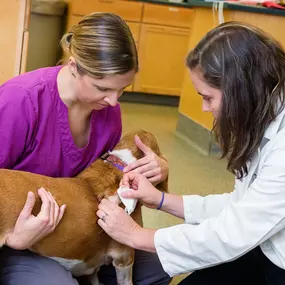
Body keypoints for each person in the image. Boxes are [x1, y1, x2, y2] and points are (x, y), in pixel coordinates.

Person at [96, 21, 285, 285]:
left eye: (207, 97)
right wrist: (161, 199)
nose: (205, 108)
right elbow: (242, 206)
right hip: (262, 247)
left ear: (240, 91)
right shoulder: (266, 114)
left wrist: (136, 235)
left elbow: (234, 232)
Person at [0, 12, 171, 285]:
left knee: (163, 263)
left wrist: (155, 170)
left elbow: (102, 182)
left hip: (79, 233)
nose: (114, 101)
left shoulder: (108, 112)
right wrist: (13, 238)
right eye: (102, 88)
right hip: (21, 240)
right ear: (73, 67)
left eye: (122, 89)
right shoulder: (20, 100)